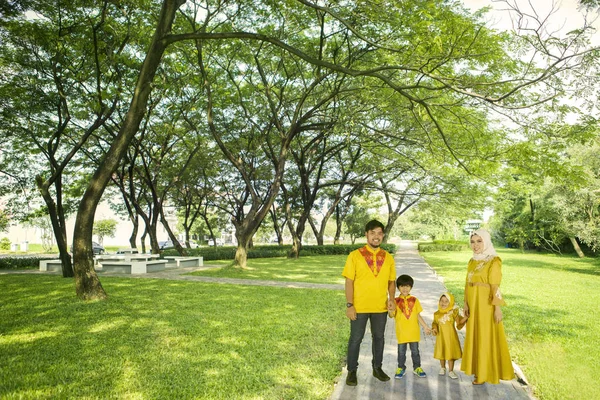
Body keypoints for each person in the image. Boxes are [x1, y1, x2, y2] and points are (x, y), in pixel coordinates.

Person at [342, 219, 397, 386]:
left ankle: (377, 368)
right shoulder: (355, 255)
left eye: (379, 233)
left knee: (379, 338)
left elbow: (391, 282)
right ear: (366, 234)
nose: (376, 236)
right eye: (372, 233)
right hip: (359, 307)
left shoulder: (388, 257)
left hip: (380, 307)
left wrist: (392, 299)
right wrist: (350, 305)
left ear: (383, 236)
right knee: (355, 339)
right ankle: (352, 371)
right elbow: (349, 282)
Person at [461, 228, 514, 385]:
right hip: (473, 303)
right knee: (476, 336)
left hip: (486, 305)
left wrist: (497, 308)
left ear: (486, 241)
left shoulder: (494, 260)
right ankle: (478, 371)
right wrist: (465, 303)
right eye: (472, 241)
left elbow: (495, 286)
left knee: (485, 336)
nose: (475, 245)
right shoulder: (472, 261)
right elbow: (467, 283)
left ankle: (485, 373)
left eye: (479, 241)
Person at [388, 274, 431, 379]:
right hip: (402, 332)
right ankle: (401, 368)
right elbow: (391, 315)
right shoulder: (395, 301)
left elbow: (417, 315)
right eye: (402, 286)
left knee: (415, 351)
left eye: (407, 286)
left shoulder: (415, 300)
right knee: (401, 352)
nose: (405, 288)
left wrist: (425, 326)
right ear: (398, 287)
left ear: (411, 287)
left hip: (413, 332)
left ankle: (417, 367)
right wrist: (390, 309)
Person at [431, 292, 468, 379]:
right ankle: (442, 368)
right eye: (442, 301)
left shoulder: (453, 312)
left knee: (450, 353)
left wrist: (466, 318)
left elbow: (459, 323)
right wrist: (434, 329)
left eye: (446, 301)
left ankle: (451, 370)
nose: (443, 303)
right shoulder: (436, 314)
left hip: (451, 337)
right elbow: (435, 323)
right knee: (442, 352)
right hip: (441, 337)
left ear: (451, 303)